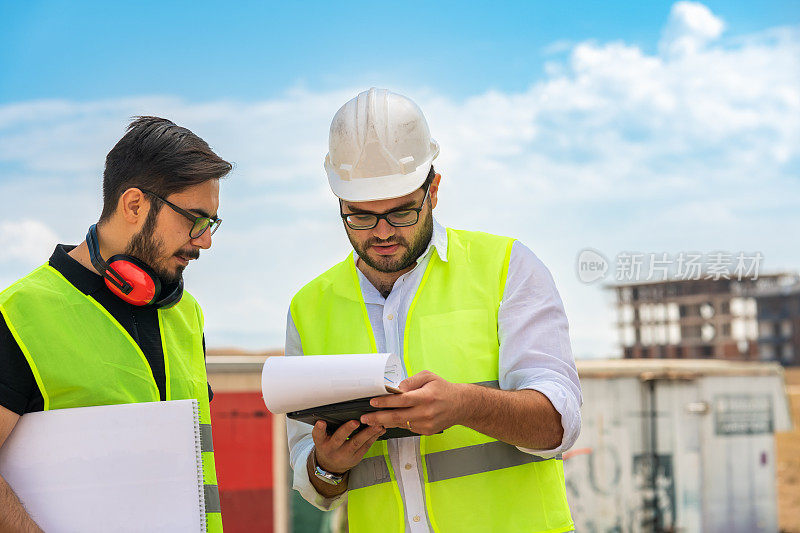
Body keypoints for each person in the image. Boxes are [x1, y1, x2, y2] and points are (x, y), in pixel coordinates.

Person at [285, 88, 582, 532]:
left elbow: (559, 426)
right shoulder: (309, 307)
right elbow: (315, 484)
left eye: (402, 212)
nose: (382, 232)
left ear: (434, 190)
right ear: (340, 204)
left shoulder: (507, 269)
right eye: (361, 216)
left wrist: (465, 405)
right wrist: (327, 465)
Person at [0, 117, 231, 532]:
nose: (205, 240)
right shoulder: (19, 313)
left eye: (211, 223)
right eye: (195, 219)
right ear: (134, 205)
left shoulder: (187, 313)